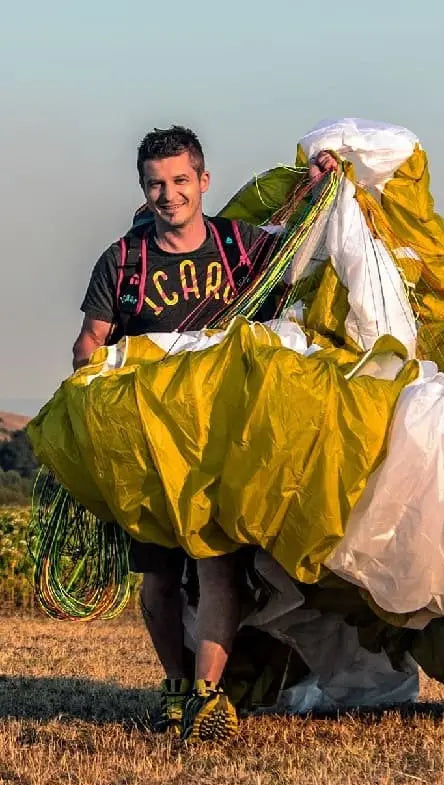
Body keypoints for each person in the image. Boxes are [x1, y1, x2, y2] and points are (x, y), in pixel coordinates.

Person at [72, 125, 336, 743]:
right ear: (144, 188)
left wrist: (323, 181)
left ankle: (208, 696)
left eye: (181, 181)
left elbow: (305, 238)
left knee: (218, 569)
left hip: (219, 446)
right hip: (149, 451)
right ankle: (174, 682)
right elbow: (92, 337)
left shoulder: (239, 249)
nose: (169, 195)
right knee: (159, 578)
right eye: (157, 184)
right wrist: (90, 370)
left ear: (203, 181)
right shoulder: (124, 260)